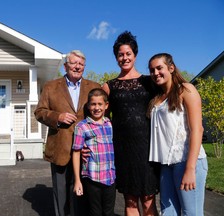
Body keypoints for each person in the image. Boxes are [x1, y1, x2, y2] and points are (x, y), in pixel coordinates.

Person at [34, 50, 100, 216]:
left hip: (85, 151)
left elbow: (99, 117)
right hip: (59, 149)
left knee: (83, 195)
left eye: (81, 64)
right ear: (65, 66)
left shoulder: (94, 87)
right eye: (73, 63)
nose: (77, 67)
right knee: (61, 194)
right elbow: (39, 112)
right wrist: (58, 116)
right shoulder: (51, 86)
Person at [101, 31, 160, 216]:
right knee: (130, 200)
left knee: (149, 199)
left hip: (148, 150)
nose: (124, 58)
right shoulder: (108, 86)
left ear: (135, 55)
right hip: (123, 150)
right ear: (116, 57)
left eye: (128, 54)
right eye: (120, 54)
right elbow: (100, 119)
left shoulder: (149, 82)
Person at [147, 53, 208, 216]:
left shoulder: (186, 90)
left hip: (187, 161)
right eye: (152, 70)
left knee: (191, 213)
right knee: (168, 213)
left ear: (171, 68)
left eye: (159, 68)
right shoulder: (157, 99)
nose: (155, 73)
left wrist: (190, 168)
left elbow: (197, 130)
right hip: (166, 165)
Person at [72, 88, 116, 216]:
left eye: (100, 104)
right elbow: (76, 152)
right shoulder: (82, 127)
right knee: (94, 212)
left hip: (110, 178)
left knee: (109, 212)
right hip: (92, 179)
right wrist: (77, 180)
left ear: (106, 105)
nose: (96, 108)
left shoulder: (110, 124)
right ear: (88, 105)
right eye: (93, 104)